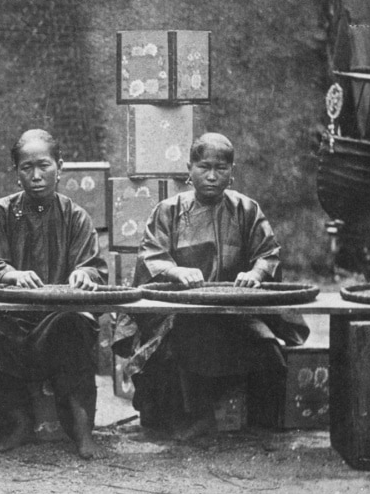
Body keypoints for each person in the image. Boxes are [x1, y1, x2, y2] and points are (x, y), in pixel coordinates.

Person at [112, 133, 308, 439]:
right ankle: (192, 417)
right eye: (204, 167)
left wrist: (255, 274)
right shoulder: (169, 210)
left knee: (267, 347)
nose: (212, 176)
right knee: (178, 347)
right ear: (189, 169)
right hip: (180, 313)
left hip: (236, 312)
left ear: (232, 172)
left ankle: (257, 421)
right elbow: (151, 256)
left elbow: (268, 254)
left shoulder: (247, 209)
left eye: (221, 168)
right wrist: (176, 271)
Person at [0, 129, 111, 459]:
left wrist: (83, 275)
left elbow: (93, 266)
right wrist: (11, 274)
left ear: (60, 167)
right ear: (15, 173)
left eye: (44, 166)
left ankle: (81, 428)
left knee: (76, 322)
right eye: (26, 168)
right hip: (9, 319)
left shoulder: (76, 216)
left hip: (56, 321)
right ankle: (15, 423)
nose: (36, 176)